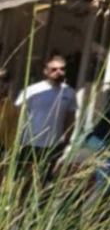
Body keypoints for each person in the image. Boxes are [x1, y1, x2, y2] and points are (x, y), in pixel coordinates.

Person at [14, 54, 77, 182]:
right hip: (29, 142)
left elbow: (70, 119)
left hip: (52, 145)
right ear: (46, 71)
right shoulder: (32, 90)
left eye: (62, 69)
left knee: (43, 180)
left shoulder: (69, 93)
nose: (59, 72)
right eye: (54, 69)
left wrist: (67, 140)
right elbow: (17, 115)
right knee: (22, 180)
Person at [0, 67, 18, 155]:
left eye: (5, 80)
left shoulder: (12, 108)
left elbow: (12, 134)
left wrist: (8, 153)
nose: (1, 83)